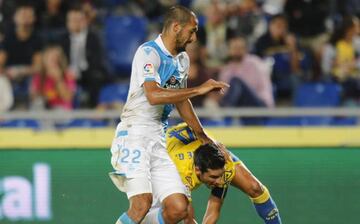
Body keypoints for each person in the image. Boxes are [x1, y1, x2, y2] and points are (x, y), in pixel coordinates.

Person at [109, 5, 229, 224]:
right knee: (142, 203)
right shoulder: (148, 52)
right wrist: (199, 88)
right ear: (176, 27)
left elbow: (180, 99)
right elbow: (153, 95)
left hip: (157, 138)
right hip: (133, 135)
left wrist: (203, 136)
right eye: (192, 31)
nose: (194, 38)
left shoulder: (182, 60)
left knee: (178, 208)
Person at [142, 123, 282, 224]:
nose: (220, 181)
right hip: (164, 154)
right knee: (176, 212)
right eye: (214, 177)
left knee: (255, 187)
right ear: (198, 171)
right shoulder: (180, 174)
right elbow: (189, 220)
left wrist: (218, 175)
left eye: (221, 175)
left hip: (203, 149)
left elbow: (215, 207)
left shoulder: (224, 164)